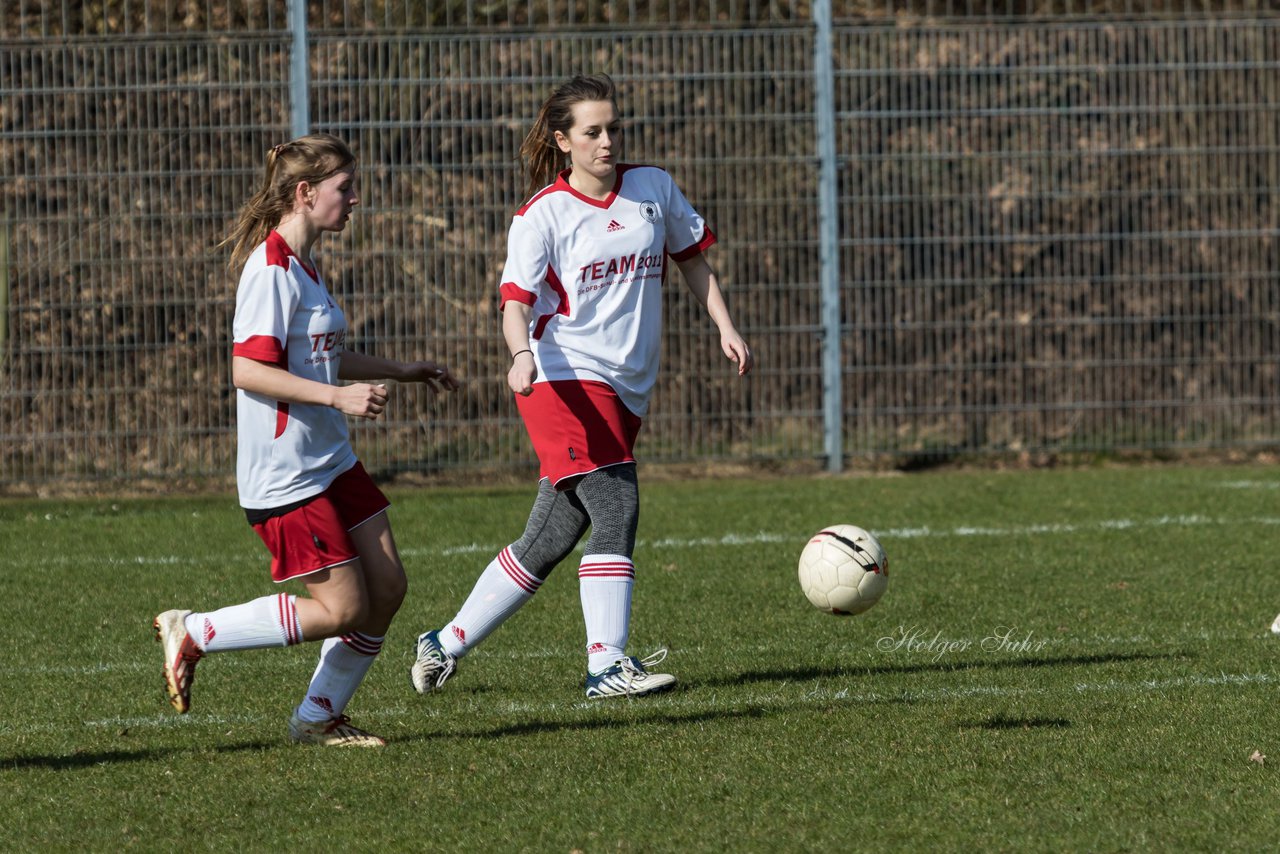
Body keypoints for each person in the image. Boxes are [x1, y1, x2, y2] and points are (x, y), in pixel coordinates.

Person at [410, 73, 753, 699]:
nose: (607, 142)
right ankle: (606, 664)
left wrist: (726, 326)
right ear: (563, 141)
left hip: (627, 386)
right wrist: (519, 356)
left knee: (555, 533)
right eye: (592, 132)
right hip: (559, 376)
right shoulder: (542, 214)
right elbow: (514, 303)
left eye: (613, 128)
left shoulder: (653, 187)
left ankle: (443, 643)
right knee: (618, 502)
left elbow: (693, 260)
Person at [153, 133, 459, 747]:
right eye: (345, 189)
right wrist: (337, 398)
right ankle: (197, 630)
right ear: (305, 192)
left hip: (330, 459)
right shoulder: (269, 271)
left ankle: (318, 719)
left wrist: (400, 370)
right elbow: (248, 370)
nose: (355, 199)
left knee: (389, 588)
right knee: (342, 610)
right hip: (286, 473)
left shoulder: (305, 263)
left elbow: (323, 357)